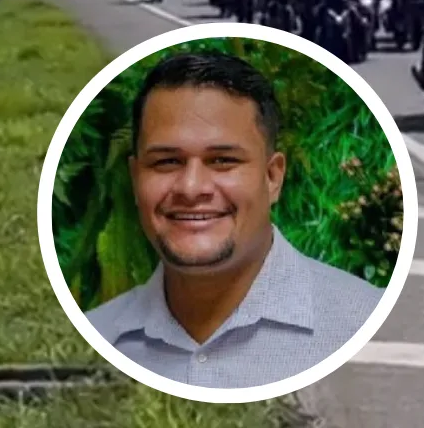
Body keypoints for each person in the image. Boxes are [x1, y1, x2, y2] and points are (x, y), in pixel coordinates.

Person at [85, 51, 383, 389]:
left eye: (223, 161)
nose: (191, 188)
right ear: (136, 178)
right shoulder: (98, 340)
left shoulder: (363, 325)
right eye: (167, 162)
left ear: (273, 178)